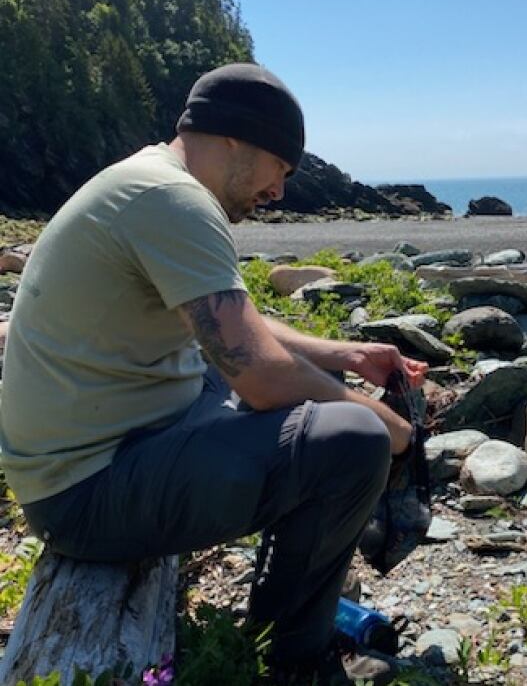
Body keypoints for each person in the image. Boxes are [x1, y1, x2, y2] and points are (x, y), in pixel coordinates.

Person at [0, 62, 427, 684]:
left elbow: (232, 325)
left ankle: (296, 572)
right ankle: (300, 660)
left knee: (283, 397)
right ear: (236, 140)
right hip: (82, 496)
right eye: (281, 169)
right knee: (354, 441)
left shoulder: (151, 178)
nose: (279, 191)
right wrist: (391, 428)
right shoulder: (172, 200)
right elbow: (256, 371)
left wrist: (345, 355)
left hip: (95, 450)